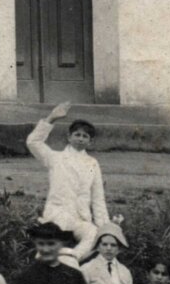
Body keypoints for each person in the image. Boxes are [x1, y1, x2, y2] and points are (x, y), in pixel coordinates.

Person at [23, 103, 111, 261]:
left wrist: (104, 227)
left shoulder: (92, 163)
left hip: (80, 217)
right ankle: (51, 259)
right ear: (69, 137)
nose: (80, 139)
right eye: (77, 135)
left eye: (85, 137)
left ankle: (72, 258)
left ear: (90, 142)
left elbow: (98, 197)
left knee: (93, 234)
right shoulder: (56, 158)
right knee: (53, 238)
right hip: (58, 215)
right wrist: (52, 118)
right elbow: (33, 143)